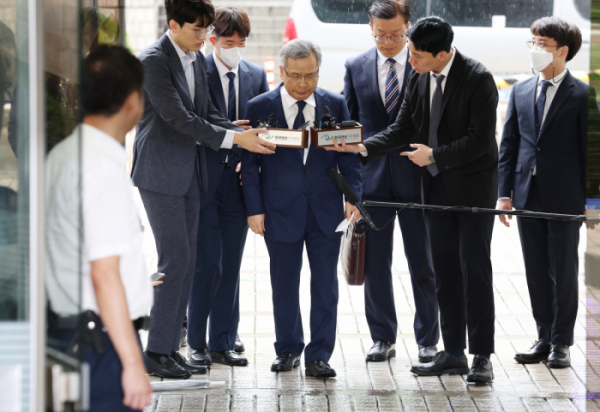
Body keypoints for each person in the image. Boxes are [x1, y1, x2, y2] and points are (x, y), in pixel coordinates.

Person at [327, 16, 499, 383]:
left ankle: (481, 355)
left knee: (475, 271)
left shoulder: (477, 78)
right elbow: (402, 128)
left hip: (472, 193)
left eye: (418, 55)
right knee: (445, 273)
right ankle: (453, 352)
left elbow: (481, 140)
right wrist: (362, 149)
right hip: (433, 191)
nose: (410, 61)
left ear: (442, 54)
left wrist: (435, 155)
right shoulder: (420, 76)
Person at [132, 0, 275, 379]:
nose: (204, 37)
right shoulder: (153, 60)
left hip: (191, 172)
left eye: (206, 31)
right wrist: (234, 140)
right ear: (174, 24)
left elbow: (208, 111)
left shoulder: (194, 56)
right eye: (198, 31)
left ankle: (166, 348)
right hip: (160, 172)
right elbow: (180, 119)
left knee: (190, 262)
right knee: (174, 260)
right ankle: (155, 351)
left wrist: (239, 134)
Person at [241, 39, 363, 378]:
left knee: (325, 284)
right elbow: (249, 166)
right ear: (282, 72)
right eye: (295, 76)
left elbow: (349, 155)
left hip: (325, 211)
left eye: (310, 75)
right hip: (279, 209)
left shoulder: (335, 104)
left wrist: (353, 197)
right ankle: (288, 349)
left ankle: (319, 354)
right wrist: (254, 209)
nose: (302, 83)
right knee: (284, 283)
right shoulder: (259, 106)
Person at [45, 45, 153, 411]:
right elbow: (104, 275)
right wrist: (134, 365)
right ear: (132, 101)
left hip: (70, 333)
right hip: (103, 342)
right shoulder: (102, 169)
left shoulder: (63, 155)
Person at [344, 0, 439, 364]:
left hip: (417, 178)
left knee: (423, 263)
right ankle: (382, 337)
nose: (386, 41)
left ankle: (428, 339)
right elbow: (350, 127)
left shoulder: (426, 66)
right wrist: (350, 188)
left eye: (395, 34)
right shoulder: (356, 66)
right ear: (370, 28)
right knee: (375, 264)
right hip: (372, 182)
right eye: (379, 34)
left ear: (409, 27)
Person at [498, 17, 592, 368]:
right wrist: (504, 193)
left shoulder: (582, 95)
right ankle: (544, 335)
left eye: (542, 44)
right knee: (536, 269)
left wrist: (591, 203)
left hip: (566, 198)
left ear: (562, 51)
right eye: (532, 42)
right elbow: (508, 145)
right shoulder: (521, 91)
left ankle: (562, 342)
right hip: (526, 195)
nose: (535, 50)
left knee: (563, 270)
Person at [187, 5, 269, 368]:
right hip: (204, 180)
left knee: (233, 265)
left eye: (242, 42)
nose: (236, 48)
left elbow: (262, 126)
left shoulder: (253, 75)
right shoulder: (196, 70)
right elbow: (193, 123)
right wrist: (233, 134)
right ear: (213, 39)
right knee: (207, 264)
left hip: (238, 183)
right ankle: (196, 342)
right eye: (229, 41)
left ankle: (223, 340)